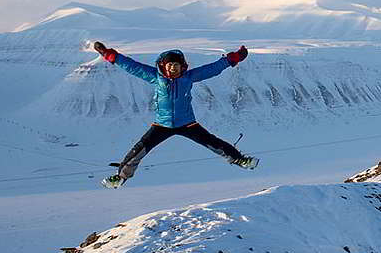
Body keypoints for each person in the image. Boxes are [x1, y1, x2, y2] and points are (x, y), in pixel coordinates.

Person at [93, 41, 259, 188]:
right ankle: (120, 177)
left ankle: (240, 159)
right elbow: (132, 66)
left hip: (188, 124)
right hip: (162, 125)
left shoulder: (188, 77)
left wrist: (233, 59)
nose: (173, 68)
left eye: (176, 65)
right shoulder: (156, 77)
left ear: (182, 66)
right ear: (163, 66)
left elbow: (212, 69)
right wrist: (108, 54)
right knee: (139, 149)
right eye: (170, 65)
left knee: (212, 142)